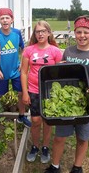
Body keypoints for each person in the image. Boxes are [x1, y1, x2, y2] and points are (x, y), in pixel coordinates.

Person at [45, 15, 89, 173]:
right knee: (60, 137)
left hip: (88, 103)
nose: (82, 36)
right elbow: (63, 73)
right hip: (66, 102)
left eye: (86, 32)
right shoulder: (69, 51)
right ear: (74, 33)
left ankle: (77, 167)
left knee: (83, 138)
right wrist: (57, 69)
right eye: (78, 32)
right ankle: (55, 166)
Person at [21, 20, 63, 164]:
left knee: (48, 121)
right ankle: (35, 146)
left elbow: (60, 74)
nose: (40, 34)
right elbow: (24, 72)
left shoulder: (55, 51)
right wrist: (25, 92)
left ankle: (45, 147)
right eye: (38, 31)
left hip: (49, 91)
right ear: (35, 33)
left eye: (43, 31)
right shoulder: (29, 50)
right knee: (35, 120)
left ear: (49, 33)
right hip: (33, 90)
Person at [0, 8, 31, 128]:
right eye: (2, 18)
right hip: (1, 72)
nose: (5, 20)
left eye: (7, 17)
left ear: (12, 19)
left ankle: (21, 116)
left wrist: (22, 64)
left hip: (16, 71)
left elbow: (24, 49)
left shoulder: (17, 33)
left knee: (21, 93)